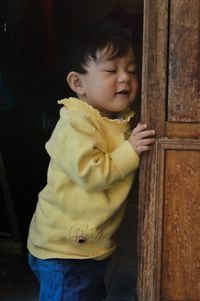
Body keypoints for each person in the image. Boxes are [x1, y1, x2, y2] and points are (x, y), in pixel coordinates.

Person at [27, 21, 155, 301]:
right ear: (78, 83)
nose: (125, 78)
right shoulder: (75, 123)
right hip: (64, 251)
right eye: (111, 70)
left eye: (131, 70)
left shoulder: (116, 119)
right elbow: (91, 172)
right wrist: (130, 151)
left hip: (89, 247)